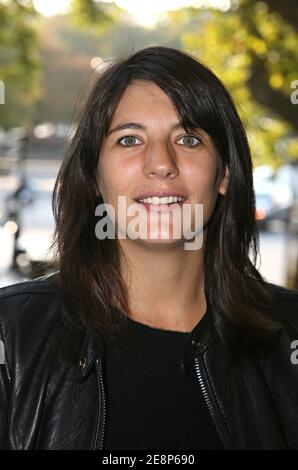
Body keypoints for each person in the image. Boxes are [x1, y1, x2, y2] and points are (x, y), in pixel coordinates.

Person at [1, 45, 298, 450]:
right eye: (129, 139)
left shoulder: (289, 339)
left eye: (189, 138)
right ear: (94, 176)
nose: (161, 163)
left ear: (225, 173)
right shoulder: (12, 334)